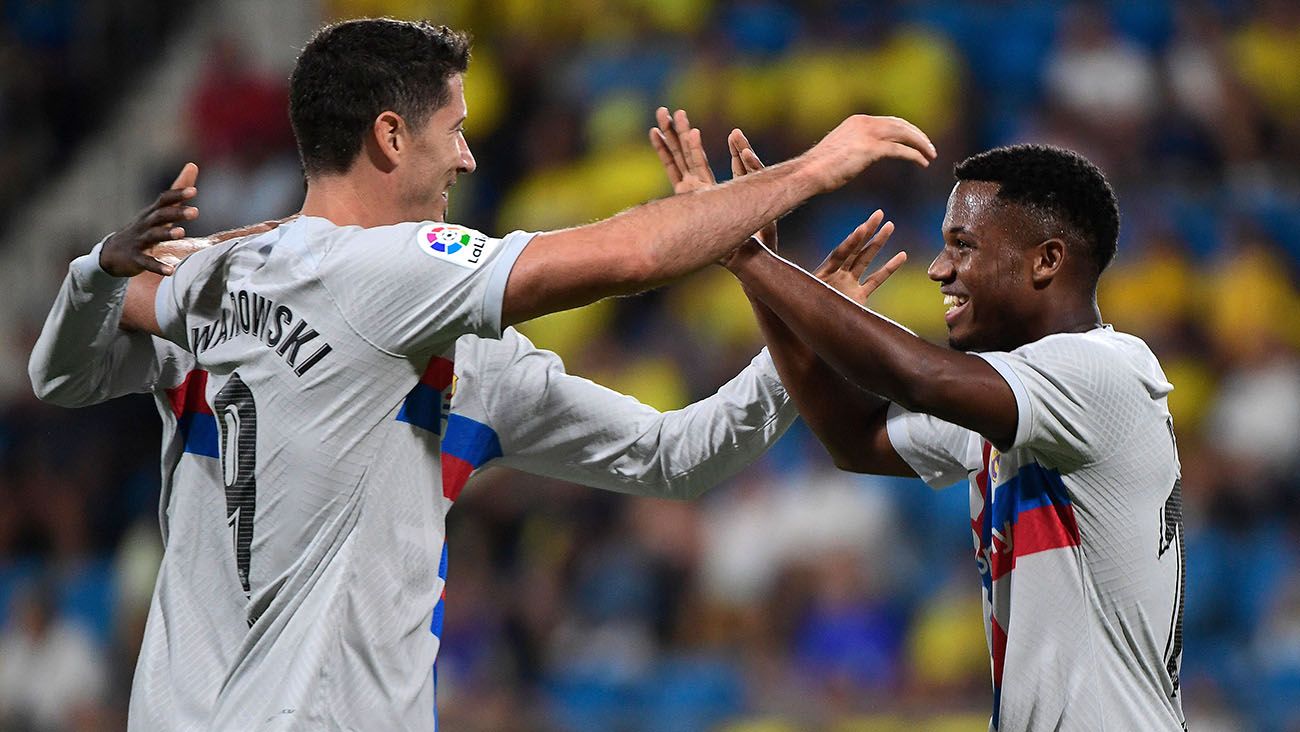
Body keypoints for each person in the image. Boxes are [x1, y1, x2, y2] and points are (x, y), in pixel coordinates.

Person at [31, 17, 935, 730]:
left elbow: (59, 376)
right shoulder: (389, 270)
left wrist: (98, 272)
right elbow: (625, 257)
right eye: (454, 130)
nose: (470, 156)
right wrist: (812, 172)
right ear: (391, 136)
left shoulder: (214, 275)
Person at [652, 113, 1186, 730]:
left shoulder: (1101, 372)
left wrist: (742, 252)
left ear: (1045, 262)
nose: (938, 269)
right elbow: (855, 439)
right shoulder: (1020, 403)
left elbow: (916, 377)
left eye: (964, 245)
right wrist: (760, 274)